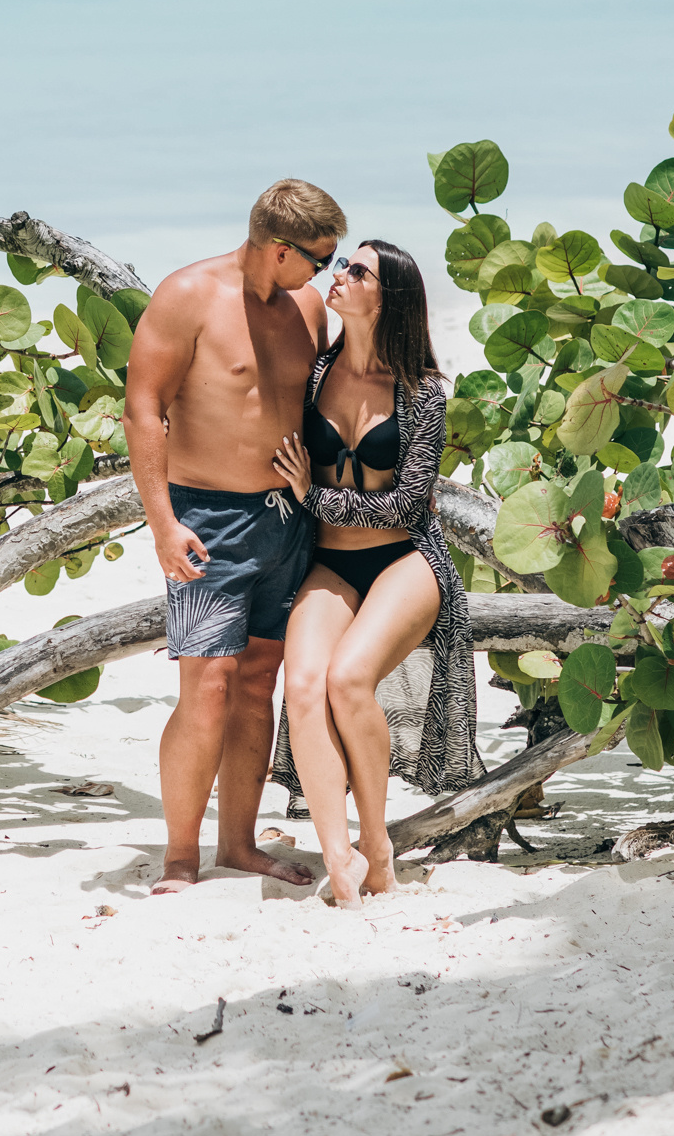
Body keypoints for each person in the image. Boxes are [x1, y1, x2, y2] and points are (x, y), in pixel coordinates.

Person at [124, 179, 345, 893]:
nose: (326, 273)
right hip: (207, 521)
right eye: (319, 257)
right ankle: (180, 857)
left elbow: (329, 398)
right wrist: (162, 521)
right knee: (206, 685)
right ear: (280, 249)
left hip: (287, 520)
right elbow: (142, 406)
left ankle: (238, 845)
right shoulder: (188, 295)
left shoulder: (306, 304)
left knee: (258, 683)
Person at [269, 239, 482, 905]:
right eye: (341, 264)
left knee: (349, 678)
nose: (339, 274)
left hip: (405, 561)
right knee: (303, 686)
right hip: (332, 563)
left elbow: (406, 503)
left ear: (385, 298)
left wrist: (314, 496)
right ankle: (343, 862)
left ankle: (376, 841)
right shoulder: (314, 375)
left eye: (355, 270)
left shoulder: (422, 395)